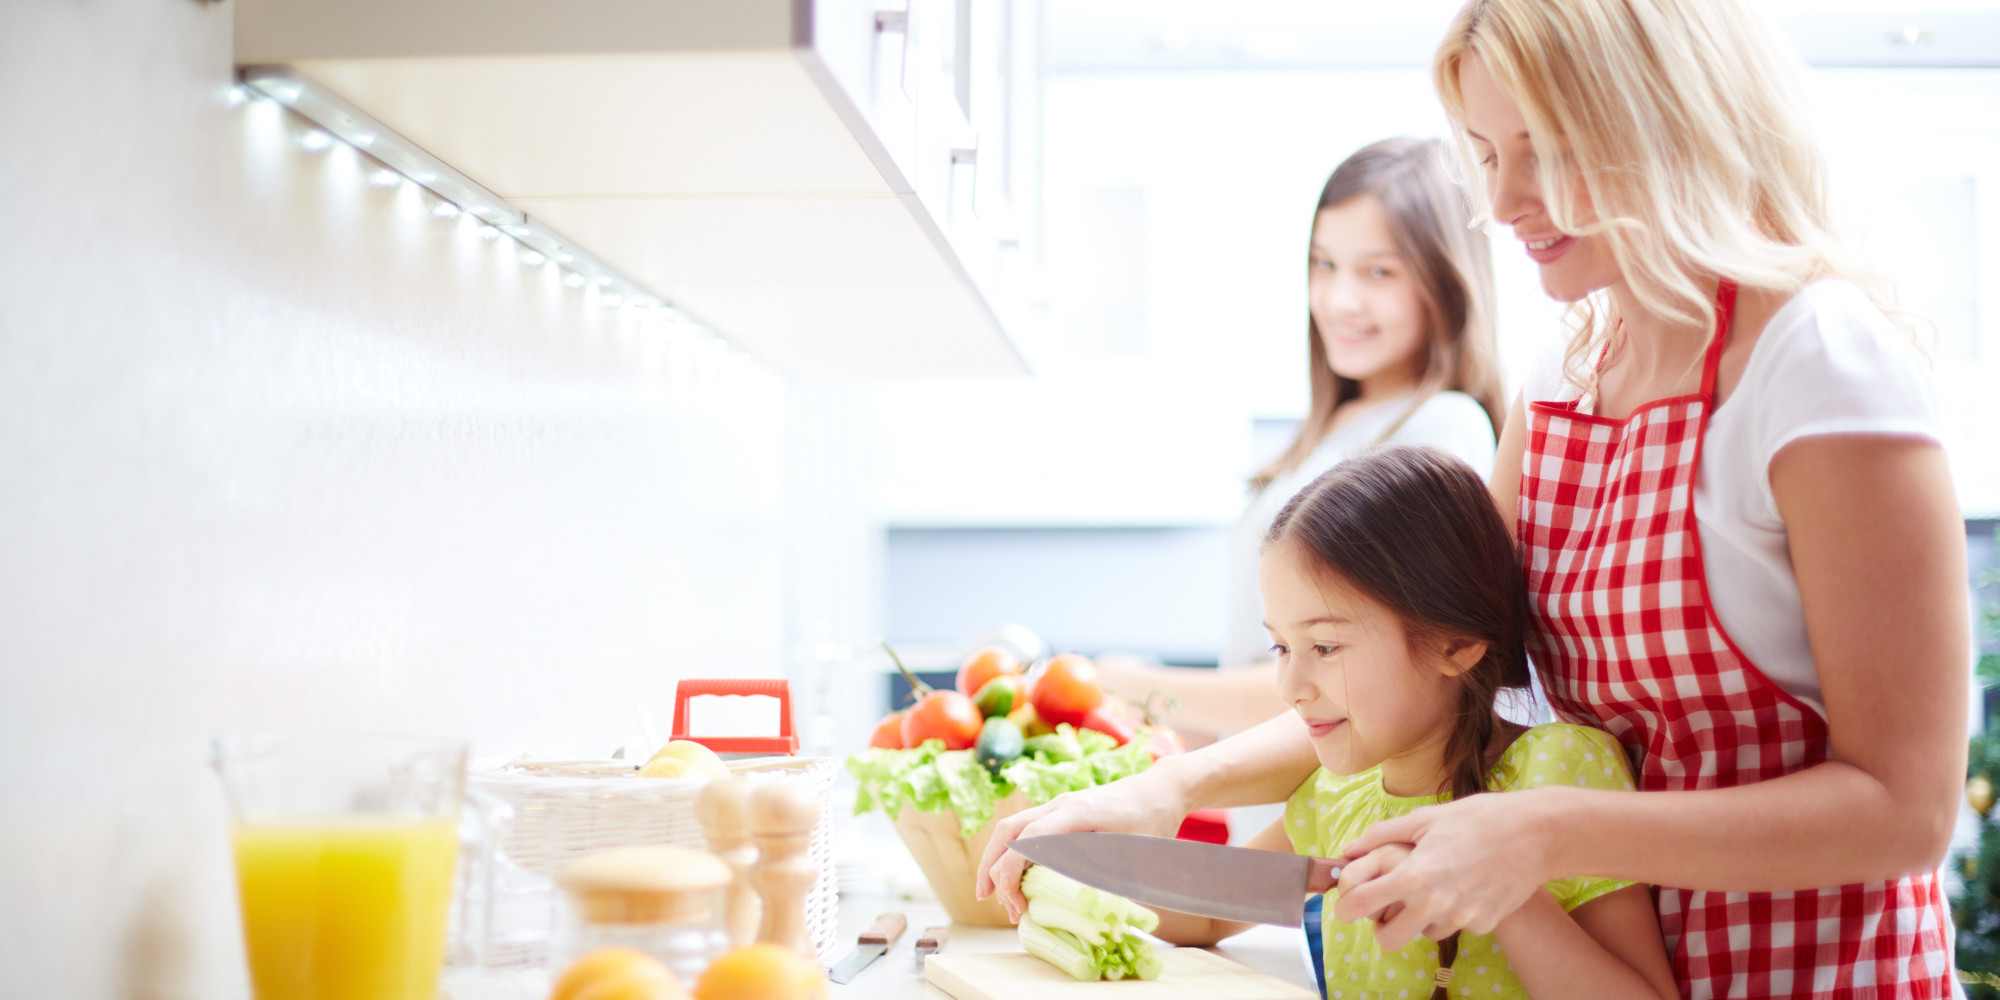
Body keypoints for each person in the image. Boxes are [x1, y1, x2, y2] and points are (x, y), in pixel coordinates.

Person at [981, 0, 1968, 995]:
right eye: (1487, 156)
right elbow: (1412, 665)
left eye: (1542, 151)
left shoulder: (1816, 362)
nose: (1501, 203)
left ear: (1665, 125)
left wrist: (1539, 832)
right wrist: (1164, 788)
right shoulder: (1564, 381)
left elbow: (1903, 808)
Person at [1145, 447, 1678, 1000]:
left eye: (1325, 646)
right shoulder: (1337, 794)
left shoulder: (1557, 769)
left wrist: (1498, 889)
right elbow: (1207, 917)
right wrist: (1058, 863)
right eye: (1281, 646)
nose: (1289, 686)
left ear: (1456, 645)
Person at [1097, 136, 1504, 740]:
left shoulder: (1442, 428)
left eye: (1379, 271)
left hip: (1343, 821)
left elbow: (1361, 681)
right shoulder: (1329, 432)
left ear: (1444, 282)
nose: (1340, 300)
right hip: (1277, 813)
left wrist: (1142, 687)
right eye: (1325, 264)